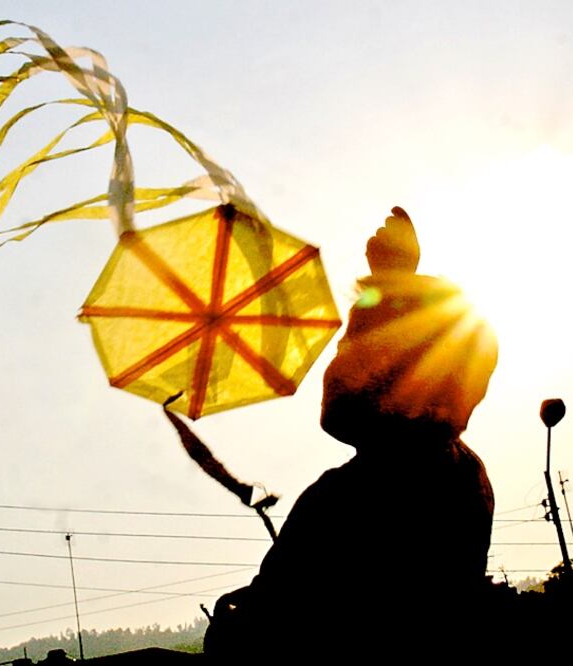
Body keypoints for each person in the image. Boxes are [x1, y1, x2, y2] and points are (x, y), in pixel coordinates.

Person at [204, 207, 499, 660]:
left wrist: (235, 619)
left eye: (353, 345)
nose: (338, 361)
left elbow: (265, 635)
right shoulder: (463, 475)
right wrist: (395, 277)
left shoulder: (344, 499)